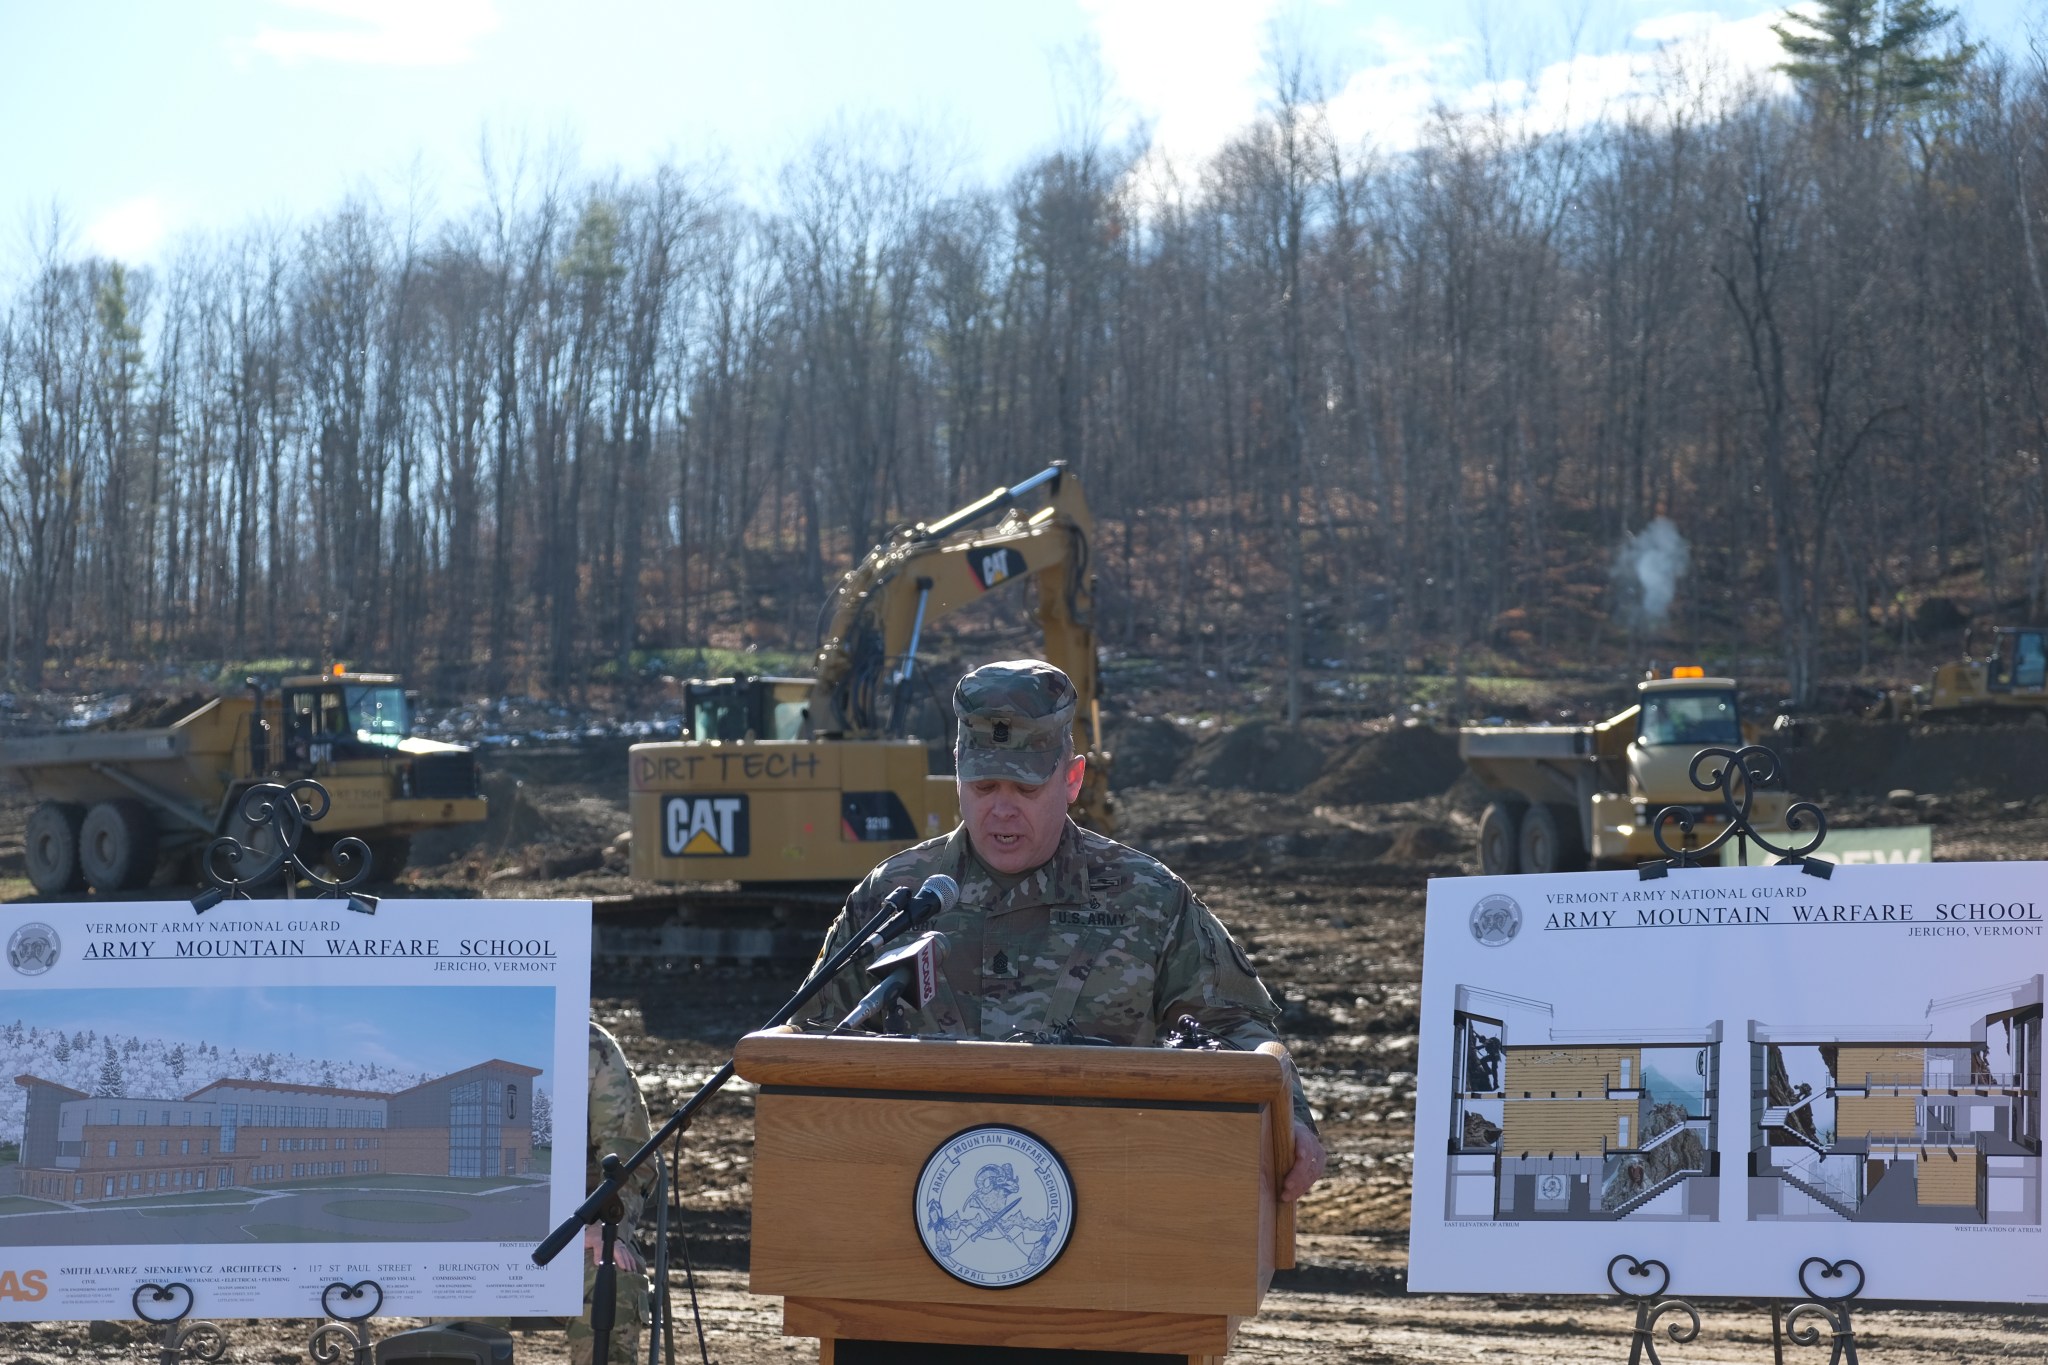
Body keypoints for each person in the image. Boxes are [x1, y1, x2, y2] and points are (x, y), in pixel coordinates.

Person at [807, 659, 1327, 1202]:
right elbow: (809, 1038)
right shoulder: (895, 898)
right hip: (915, 1202)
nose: (1002, 810)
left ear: (1072, 779)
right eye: (984, 786)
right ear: (957, 772)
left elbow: (1234, 1024)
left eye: (1026, 789)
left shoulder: (1146, 897)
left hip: (1108, 1202)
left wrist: (1288, 1116)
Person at [569, 1020, 659, 1365]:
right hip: (466, 1238)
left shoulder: (589, 1045)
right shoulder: (442, 1036)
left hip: (578, 1232)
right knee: (455, 1309)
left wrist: (606, 1230)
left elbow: (628, 1161)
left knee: (614, 1278)